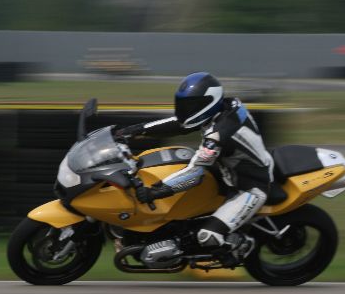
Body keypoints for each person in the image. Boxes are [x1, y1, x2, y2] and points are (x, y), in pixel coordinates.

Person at [116, 72, 274, 264]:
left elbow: (195, 173)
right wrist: (133, 131)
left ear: (209, 102)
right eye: (183, 104)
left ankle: (240, 246)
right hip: (228, 170)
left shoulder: (217, 136)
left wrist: (155, 192)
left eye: (191, 105)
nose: (186, 110)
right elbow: (178, 124)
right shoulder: (224, 107)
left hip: (250, 187)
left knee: (207, 236)